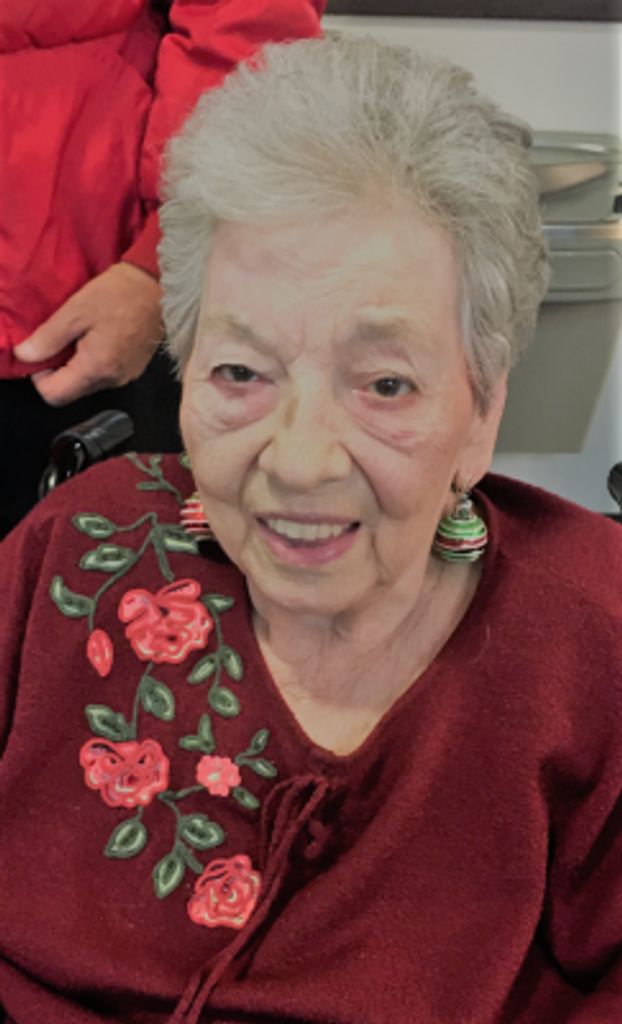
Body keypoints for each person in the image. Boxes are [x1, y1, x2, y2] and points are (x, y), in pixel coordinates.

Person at [1, 33, 621, 1024]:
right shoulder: (75, 552)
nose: (297, 461)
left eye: (384, 385)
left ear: (481, 413)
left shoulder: (589, 642)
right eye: (240, 372)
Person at [0, 0, 324, 536]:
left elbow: (246, 21)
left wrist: (157, 264)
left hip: (83, 320)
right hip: (77, 306)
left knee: (101, 575)